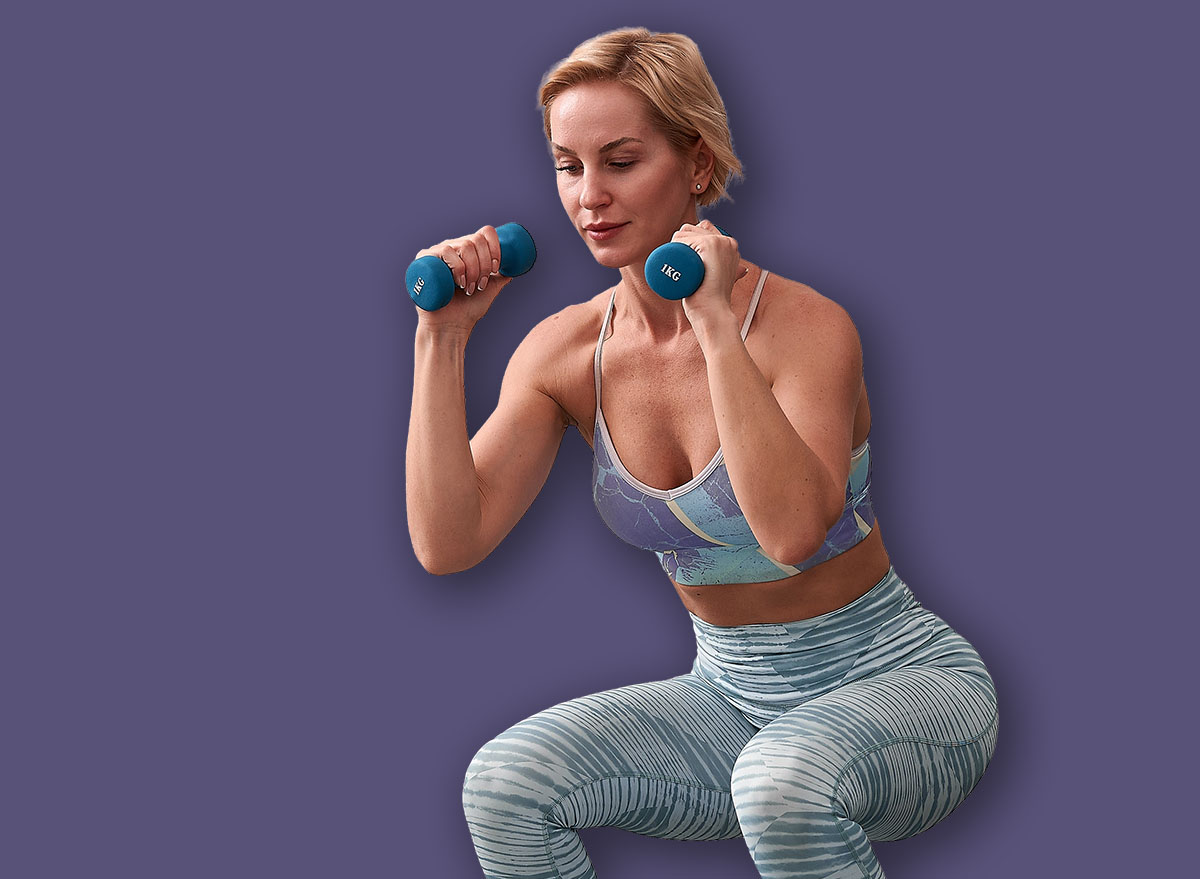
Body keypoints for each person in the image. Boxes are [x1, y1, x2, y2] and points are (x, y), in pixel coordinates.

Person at [406, 26, 997, 879]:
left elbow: (792, 531)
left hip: (904, 685)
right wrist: (442, 342)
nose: (589, 198)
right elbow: (448, 542)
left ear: (698, 165)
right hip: (729, 699)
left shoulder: (805, 328)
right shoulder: (565, 353)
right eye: (568, 166)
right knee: (506, 783)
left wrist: (714, 322)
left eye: (620, 160)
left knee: (780, 781)